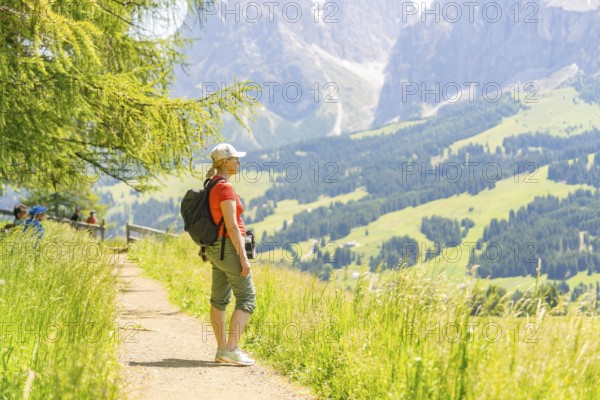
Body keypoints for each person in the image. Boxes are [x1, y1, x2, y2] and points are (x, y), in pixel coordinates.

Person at [205, 143, 256, 366]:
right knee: (247, 298)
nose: (239, 162)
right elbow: (232, 225)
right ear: (225, 162)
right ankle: (231, 349)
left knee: (219, 299)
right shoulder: (225, 187)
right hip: (229, 247)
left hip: (216, 249)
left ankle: (221, 350)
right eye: (235, 158)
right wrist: (243, 257)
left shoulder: (211, 183)